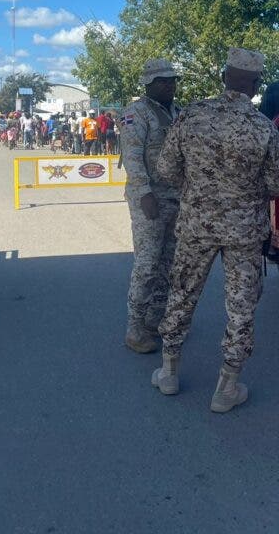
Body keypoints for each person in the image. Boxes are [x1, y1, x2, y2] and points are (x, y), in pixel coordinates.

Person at [151, 48, 279, 413]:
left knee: (181, 292)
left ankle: (168, 372)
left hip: (196, 223)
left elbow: (165, 169)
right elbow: (277, 185)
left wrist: (196, 190)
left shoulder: (192, 116)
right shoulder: (262, 127)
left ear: (224, 77)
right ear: (256, 85)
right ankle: (226, 387)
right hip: (244, 230)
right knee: (241, 307)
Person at [121, 59, 182, 353]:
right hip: (149, 200)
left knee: (168, 264)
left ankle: (156, 321)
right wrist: (144, 193)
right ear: (149, 83)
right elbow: (132, 157)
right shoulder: (136, 113)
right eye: (163, 80)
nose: (170, 85)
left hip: (176, 198)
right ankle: (135, 328)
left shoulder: (177, 112)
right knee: (146, 265)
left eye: (172, 80)